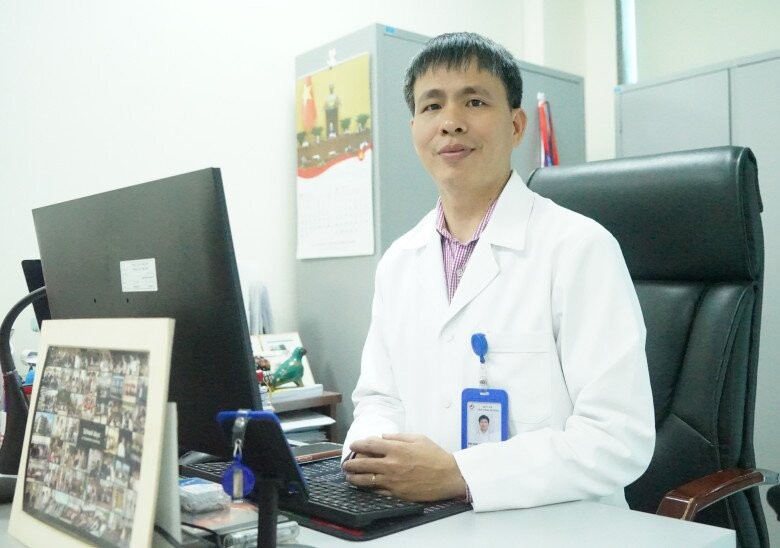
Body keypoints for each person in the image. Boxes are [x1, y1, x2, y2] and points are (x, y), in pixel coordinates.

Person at [340, 31, 655, 512]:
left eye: (474, 101)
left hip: (560, 526)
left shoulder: (579, 248)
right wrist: (372, 456)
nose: (450, 122)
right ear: (414, 129)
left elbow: (617, 438)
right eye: (431, 106)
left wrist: (459, 474)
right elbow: (379, 398)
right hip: (426, 520)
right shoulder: (399, 262)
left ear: (515, 124)